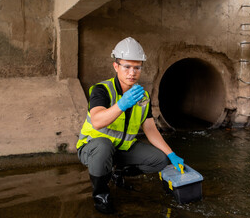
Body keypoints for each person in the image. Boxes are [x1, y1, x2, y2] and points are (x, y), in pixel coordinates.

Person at [76, 37, 184, 214]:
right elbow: (97, 121)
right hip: (93, 148)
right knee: (103, 146)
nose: (132, 72)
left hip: (122, 149)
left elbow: (150, 129)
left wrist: (172, 154)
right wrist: (121, 104)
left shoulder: (143, 97)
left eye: (137, 67)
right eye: (127, 67)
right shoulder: (102, 90)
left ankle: (117, 172)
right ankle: (101, 195)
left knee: (160, 160)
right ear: (116, 66)